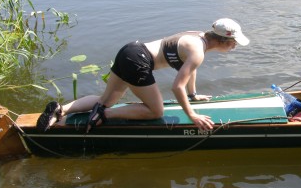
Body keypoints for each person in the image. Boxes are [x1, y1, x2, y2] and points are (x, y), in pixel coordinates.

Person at [36, 18, 250, 133]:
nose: (234, 47)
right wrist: (192, 115)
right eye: (234, 44)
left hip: (130, 49)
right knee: (156, 111)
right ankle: (103, 116)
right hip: (139, 60)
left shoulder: (197, 36)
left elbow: (188, 69)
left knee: (106, 99)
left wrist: (193, 94)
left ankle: (59, 109)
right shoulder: (197, 52)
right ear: (223, 40)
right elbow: (177, 86)